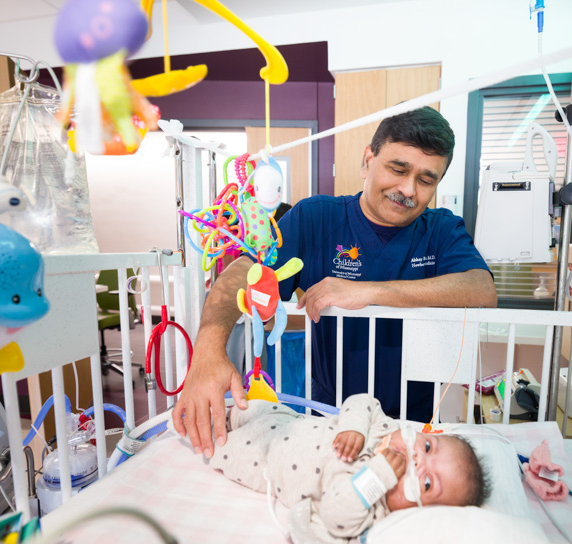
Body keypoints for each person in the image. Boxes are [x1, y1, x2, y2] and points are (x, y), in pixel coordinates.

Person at [173, 106, 497, 457]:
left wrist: (369, 292)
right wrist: (208, 350)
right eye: (398, 168)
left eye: (426, 179)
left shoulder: (441, 229)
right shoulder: (316, 217)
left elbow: (481, 289)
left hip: (412, 420)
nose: (408, 189)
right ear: (367, 161)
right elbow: (245, 270)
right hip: (330, 415)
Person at [206, 394, 488, 544]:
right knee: (246, 408)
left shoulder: (372, 507)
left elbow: (334, 513)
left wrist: (378, 476)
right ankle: (217, 415)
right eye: (427, 447)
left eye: (427, 483)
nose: (417, 460)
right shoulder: (383, 428)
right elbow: (362, 400)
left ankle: (191, 430)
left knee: (217, 447)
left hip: (264, 461)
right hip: (287, 420)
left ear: (417, 513)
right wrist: (355, 428)